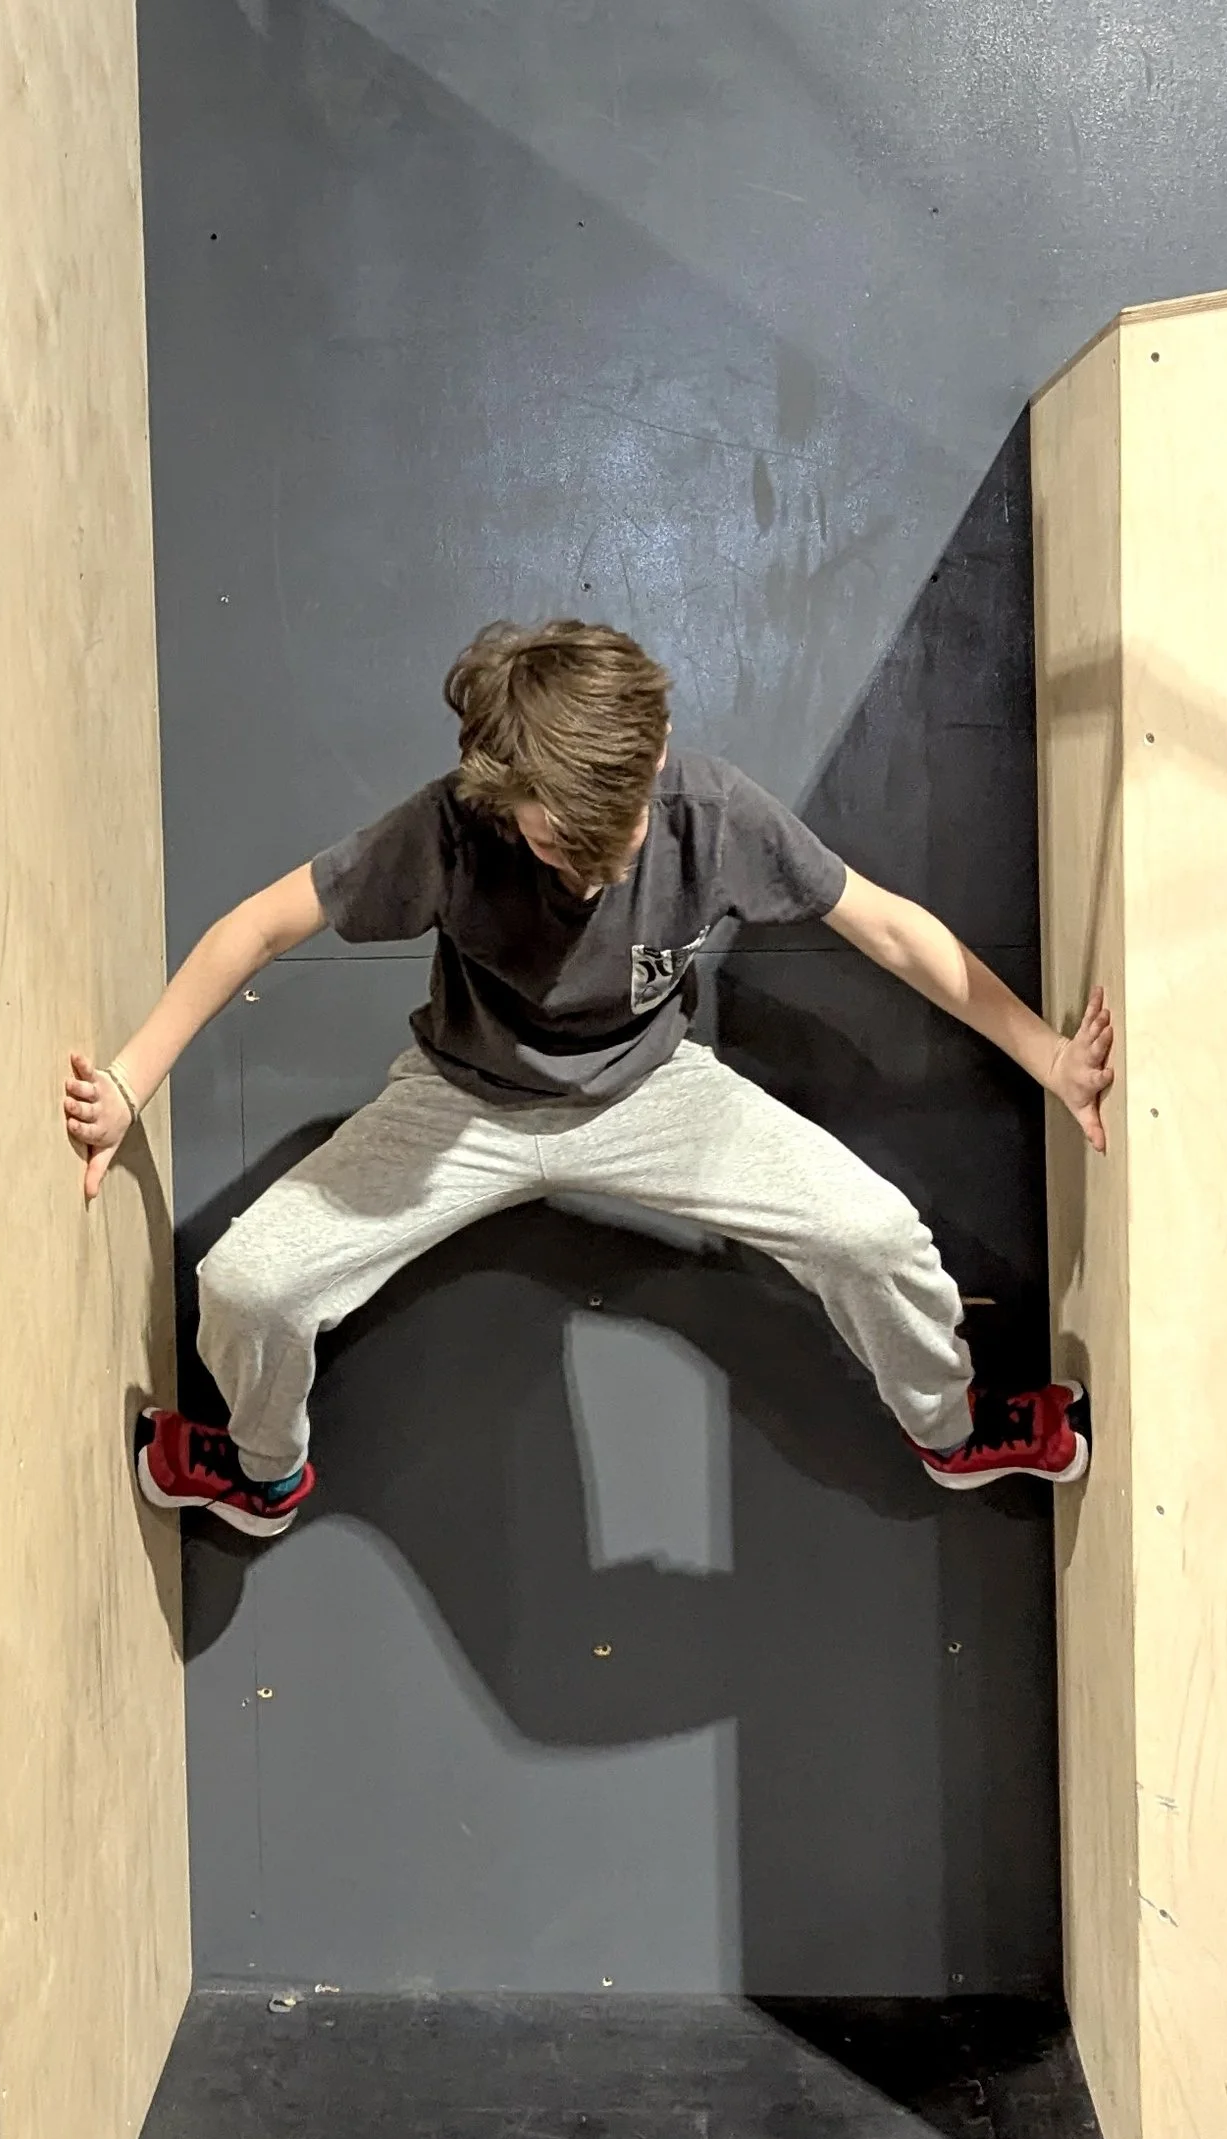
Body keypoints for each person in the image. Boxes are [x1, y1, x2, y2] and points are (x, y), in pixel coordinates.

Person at [62, 619, 1114, 1538]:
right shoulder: (448, 828)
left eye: (612, 840)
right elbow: (255, 927)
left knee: (875, 1237)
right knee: (248, 1286)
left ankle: (953, 1432)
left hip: (655, 1094)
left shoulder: (714, 813)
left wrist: (1049, 1057)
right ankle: (262, 1474)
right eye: (558, 841)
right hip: (462, 1101)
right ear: (501, 794)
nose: (591, 869)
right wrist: (127, 1082)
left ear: (654, 756)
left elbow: (887, 928)